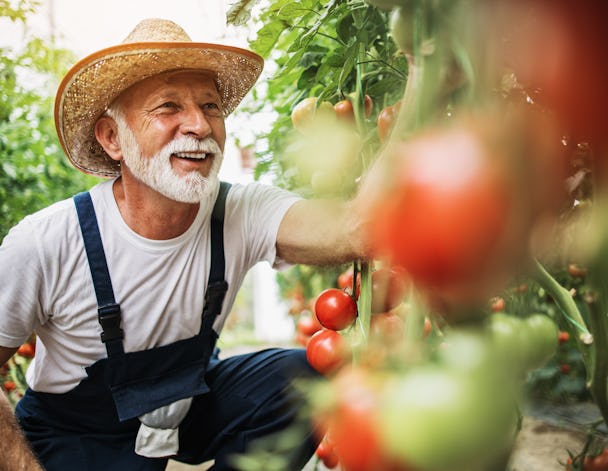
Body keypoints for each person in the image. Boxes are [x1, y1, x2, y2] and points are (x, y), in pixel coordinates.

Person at [0, 18, 370, 470]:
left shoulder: (240, 211)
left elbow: (355, 229)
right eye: (168, 106)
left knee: (302, 378)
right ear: (112, 137)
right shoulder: (46, 243)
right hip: (77, 433)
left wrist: (419, 64)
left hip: (184, 406)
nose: (198, 124)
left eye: (211, 105)